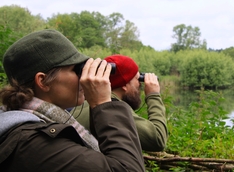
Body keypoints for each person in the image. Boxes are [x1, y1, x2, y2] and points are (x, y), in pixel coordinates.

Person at [0, 29, 145, 172]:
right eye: (77, 70)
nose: (84, 78)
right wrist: (103, 103)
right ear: (43, 81)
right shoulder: (33, 144)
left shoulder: (29, 124)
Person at [73, 54, 168, 152]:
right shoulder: (113, 108)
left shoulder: (81, 105)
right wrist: (154, 95)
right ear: (124, 85)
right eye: (137, 79)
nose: (140, 84)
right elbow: (158, 139)